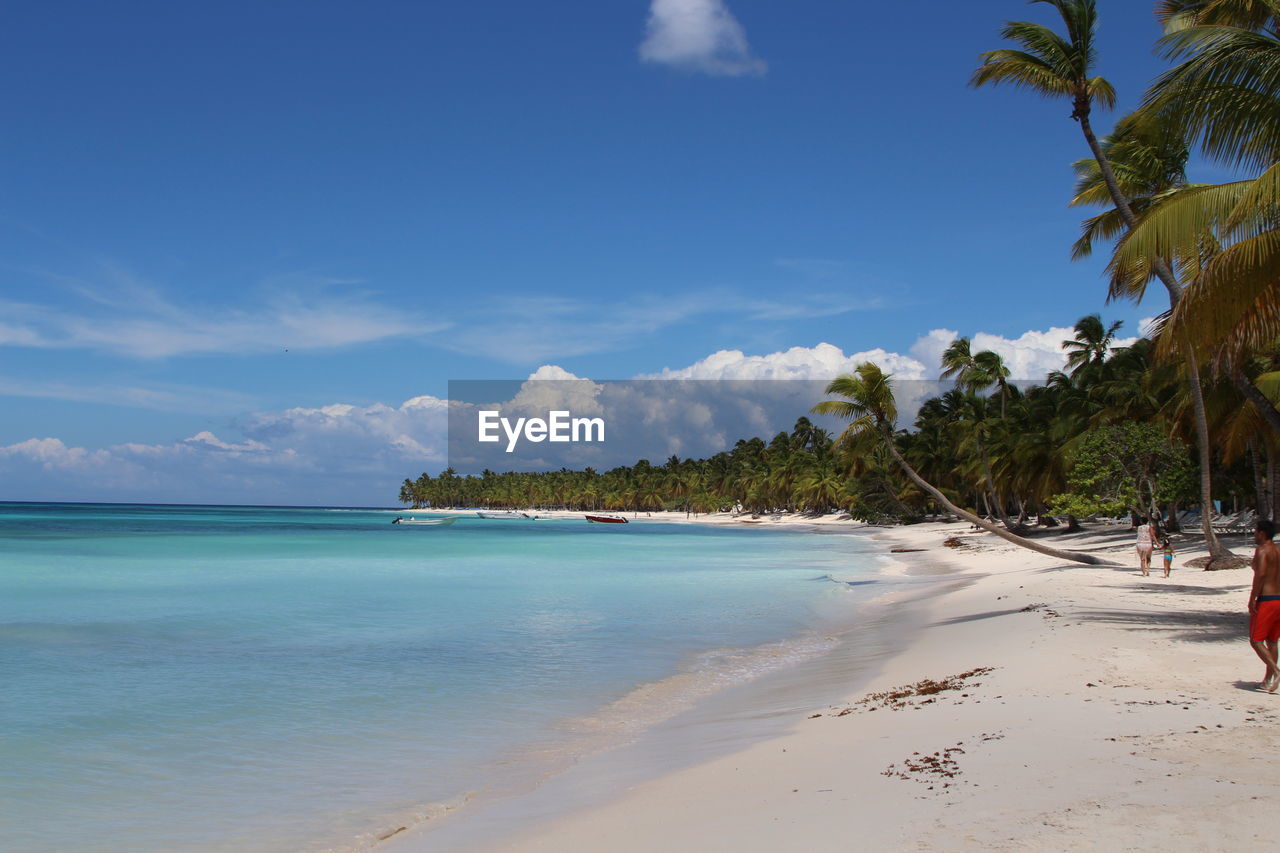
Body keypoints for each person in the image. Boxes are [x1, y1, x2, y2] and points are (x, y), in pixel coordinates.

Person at [1247, 518, 1280, 692]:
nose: (1254, 534)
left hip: (1266, 600)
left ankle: (1276, 671)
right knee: (1272, 641)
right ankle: (1267, 680)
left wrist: (1252, 598)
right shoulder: (1278, 550)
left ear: (1262, 533)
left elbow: (1260, 575)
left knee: (1256, 640)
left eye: (1255, 531)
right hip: (1279, 599)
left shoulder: (1262, 550)